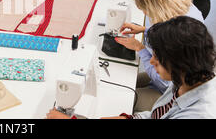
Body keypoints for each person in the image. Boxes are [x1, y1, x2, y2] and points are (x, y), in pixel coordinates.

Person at [47, 16, 216, 119]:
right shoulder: (186, 79)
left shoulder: (200, 114)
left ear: (180, 63)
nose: (151, 61)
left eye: (158, 57)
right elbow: (157, 115)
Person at [115, 0, 203, 112]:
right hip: (172, 83)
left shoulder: (177, 37)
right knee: (121, 84)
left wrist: (140, 48)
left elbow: (163, 80)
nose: (144, 13)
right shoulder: (186, 12)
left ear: (158, 9)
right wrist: (144, 29)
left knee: (121, 98)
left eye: (146, 11)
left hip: (167, 92)